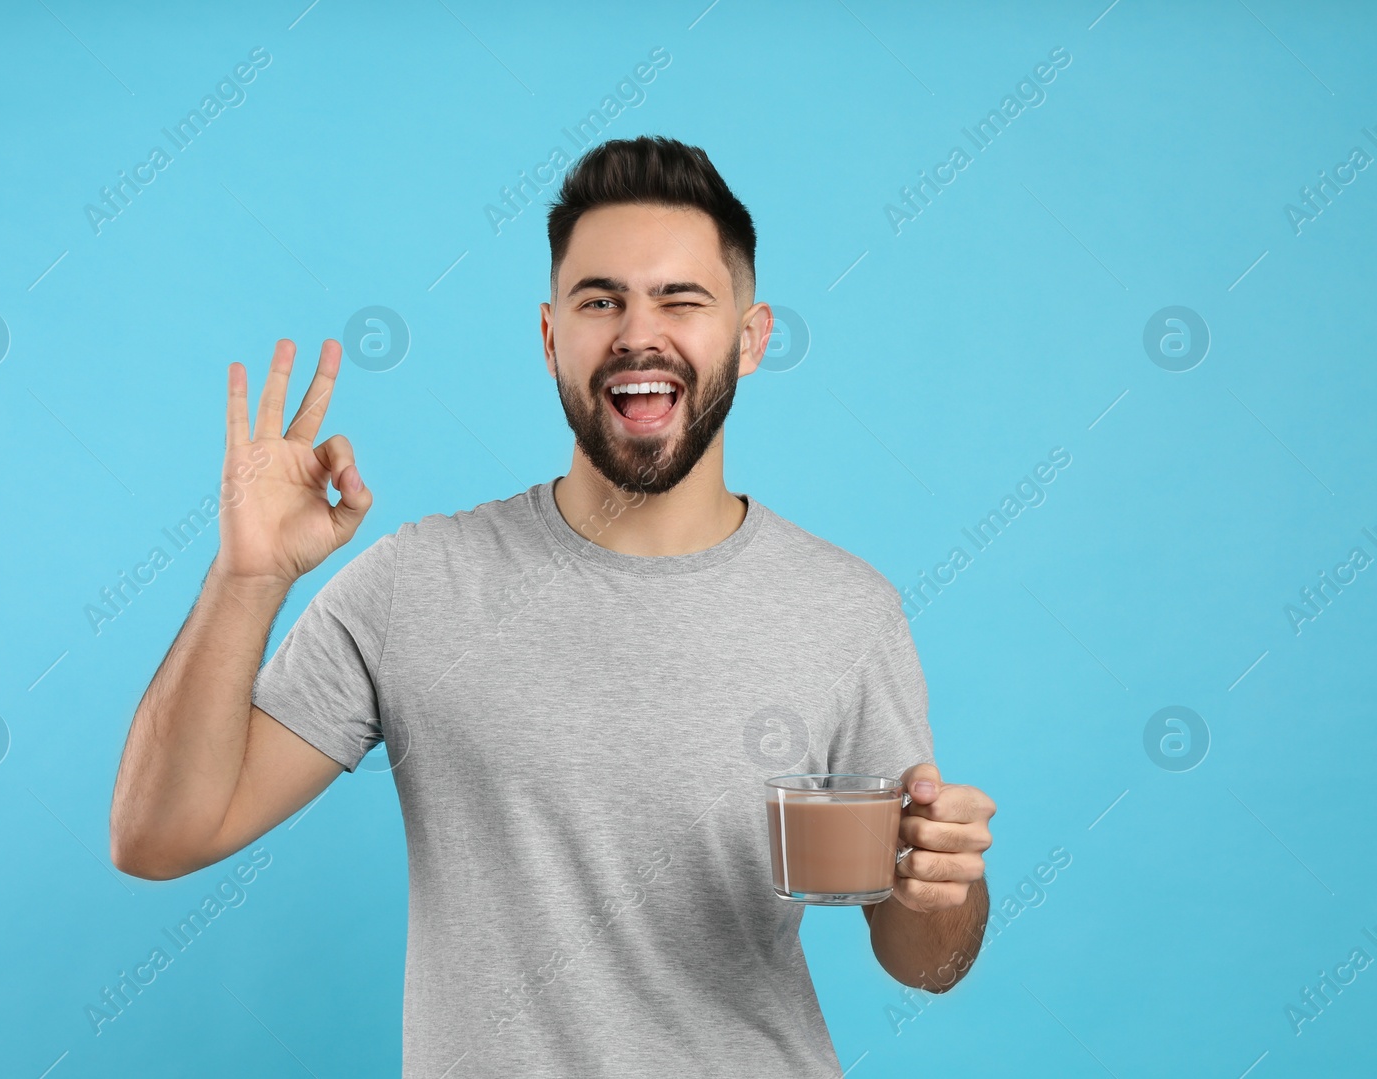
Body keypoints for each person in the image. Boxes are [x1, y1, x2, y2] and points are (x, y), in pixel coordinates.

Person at [109, 135, 996, 1077]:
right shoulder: (418, 585)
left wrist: (939, 894)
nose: (636, 333)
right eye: (600, 299)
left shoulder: (843, 611)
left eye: (681, 299)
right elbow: (159, 836)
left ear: (750, 334)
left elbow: (928, 965)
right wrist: (247, 580)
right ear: (549, 337)